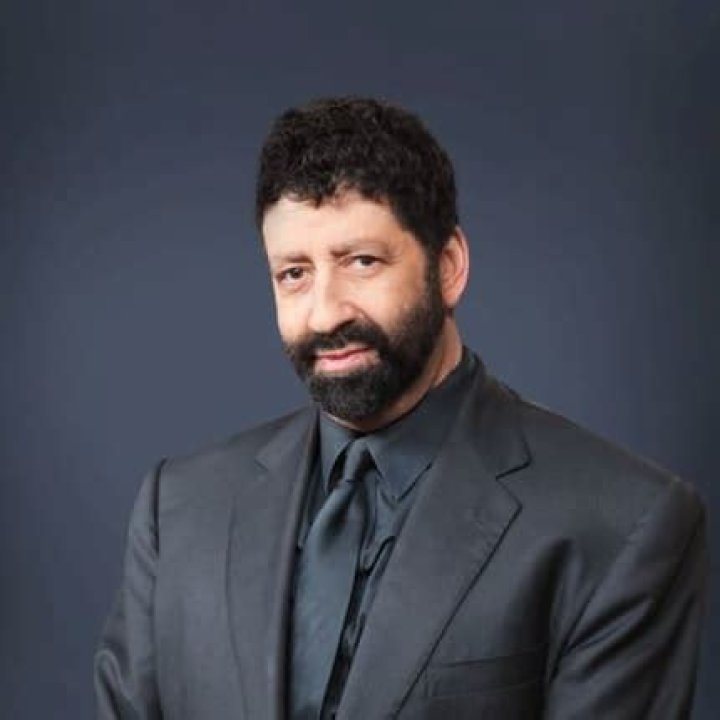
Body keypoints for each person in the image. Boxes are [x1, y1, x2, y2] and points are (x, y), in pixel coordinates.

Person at [95, 97, 707, 719]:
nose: (325, 314)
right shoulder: (179, 510)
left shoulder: (624, 526)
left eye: (362, 262)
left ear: (449, 267)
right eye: (294, 274)